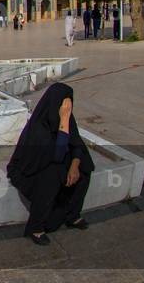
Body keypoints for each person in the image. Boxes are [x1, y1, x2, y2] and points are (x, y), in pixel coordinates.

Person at [7, 82, 93, 245]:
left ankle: (72, 215)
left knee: (85, 166)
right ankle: (36, 227)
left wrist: (74, 165)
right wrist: (64, 121)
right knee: (52, 175)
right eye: (64, 106)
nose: (67, 109)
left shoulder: (68, 120)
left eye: (69, 105)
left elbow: (77, 144)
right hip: (31, 169)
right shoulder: (39, 128)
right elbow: (58, 153)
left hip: (55, 158)